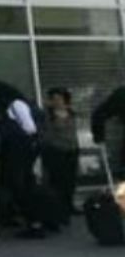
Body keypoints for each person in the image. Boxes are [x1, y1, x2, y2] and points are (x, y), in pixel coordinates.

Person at [0, 82, 45, 239]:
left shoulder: (16, 105)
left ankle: (34, 222)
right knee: (21, 184)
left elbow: (29, 128)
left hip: (19, 151)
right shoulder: (17, 104)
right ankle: (31, 220)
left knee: (20, 185)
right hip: (21, 151)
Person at [41, 88, 79, 226]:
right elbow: (46, 134)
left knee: (70, 180)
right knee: (57, 181)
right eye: (54, 99)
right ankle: (58, 209)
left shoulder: (71, 113)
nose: (57, 102)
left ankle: (69, 205)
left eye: (59, 99)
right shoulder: (47, 115)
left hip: (71, 150)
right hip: (55, 150)